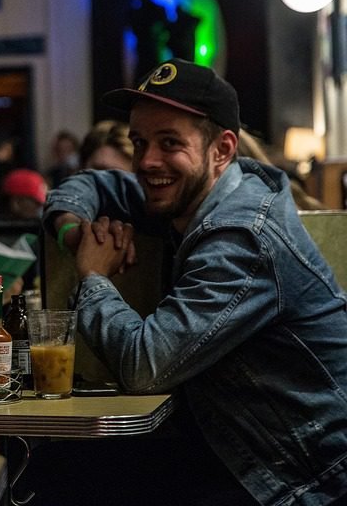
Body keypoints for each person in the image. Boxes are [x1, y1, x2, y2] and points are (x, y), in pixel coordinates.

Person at [41, 59, 347, 504]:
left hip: (306, 480)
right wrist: (74, 232)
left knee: (65, 480)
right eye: (140, 142)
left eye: (169, 143)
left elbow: (144, 366)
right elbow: (90, 183)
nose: (147, 162)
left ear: (222, 150)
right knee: (61, 469)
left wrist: (93, 273)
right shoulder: (190, 194)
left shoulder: (243, 238)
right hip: (238, 446)